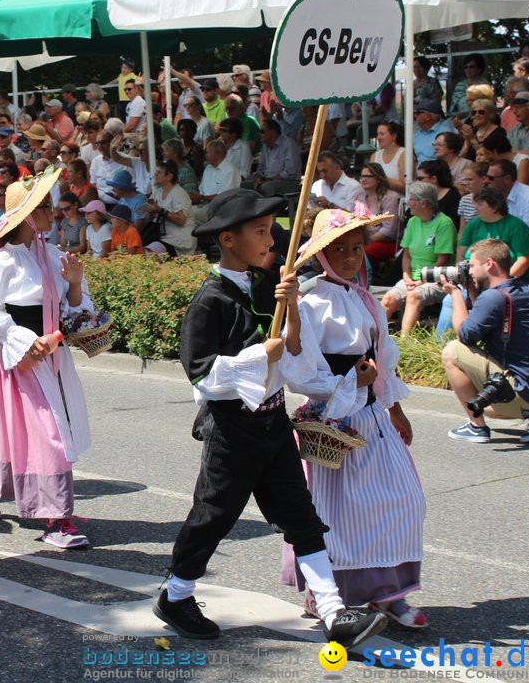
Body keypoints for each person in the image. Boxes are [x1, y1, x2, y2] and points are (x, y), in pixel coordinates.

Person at [155, 188, 387, 648]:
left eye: (270, 230)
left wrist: (294, 310)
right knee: (214, 514)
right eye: (259, 232)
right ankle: (176, 593)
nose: (270, 239)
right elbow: (202, 378)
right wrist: (259, 354)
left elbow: (295, 354)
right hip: (232, 429)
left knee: (300, 514)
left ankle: (333, 610)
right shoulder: (210, 301)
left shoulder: (267, 287)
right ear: (227, 239)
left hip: (274, 421)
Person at [282, 204, 427, 631]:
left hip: (373, 416)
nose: (350, 257)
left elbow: (382, 360)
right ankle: (334, 594)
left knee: (405, 500)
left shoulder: (365, 298)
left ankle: (390, 592)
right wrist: (353, 384)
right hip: (336, 421)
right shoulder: (309, 302)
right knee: (344, 513)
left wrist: (394, 406)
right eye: (340, 249)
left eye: (357, 248)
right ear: (323, 255)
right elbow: (302, 369)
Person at [0, 168, 94, 548]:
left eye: (50, 204)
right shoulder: (4, 261)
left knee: (18, 430)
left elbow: (78, 308)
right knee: (48, 432)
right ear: (24, 213)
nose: (51, 212)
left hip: (55, 356)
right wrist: (22, 340)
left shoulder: (56, 255)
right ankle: (55, 517)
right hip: (24, 360)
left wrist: (74, 281)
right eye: (43, 205)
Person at [441, 239, 529, 444]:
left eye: (472, 265)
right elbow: (483, 323)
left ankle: (476, 427)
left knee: (451, 351)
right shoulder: (522, 288)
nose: (469, 271)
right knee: (490, 409)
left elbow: (464, 335)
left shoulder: (493, 297)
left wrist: (456, 293)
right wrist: (472, 292)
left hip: (525, 388)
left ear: (489, 264)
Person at [381, 182, 457, 336]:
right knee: (388, 300)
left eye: (412, 199)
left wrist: (420, 282)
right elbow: (407, 254)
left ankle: (405, 345)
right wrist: (406, 276)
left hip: (437, 279)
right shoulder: (413, 221)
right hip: (413, 278)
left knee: (413, 296)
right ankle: (376, 341)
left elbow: (442, 260)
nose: (408, 203)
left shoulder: (444, 223)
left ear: (424, 203)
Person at [146, 159, 198, 256]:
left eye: (159, 172)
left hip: (178, 242)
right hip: (162, 238)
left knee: (151, 254)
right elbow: (148, 217)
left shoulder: (179, 193)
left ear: (169, 176)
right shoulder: (158, 192)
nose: (155, 175)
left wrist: (161, 210)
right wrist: (149, 211)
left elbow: (181, 220)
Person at [355, 163, 401, 266]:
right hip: (365, 240)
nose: (363, 179)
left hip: (387, 242)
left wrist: (365, 241)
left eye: (368, 176)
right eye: (362, 176)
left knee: (360, 252)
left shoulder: (390, 197)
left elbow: (388, 230)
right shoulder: (360, 196)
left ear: (378, 178)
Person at [255, 119, 301, 197]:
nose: (259, 134)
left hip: (289, 182)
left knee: (267, 187)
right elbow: (261, 168)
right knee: (245, 185)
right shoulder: (265, 147)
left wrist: (270, 180)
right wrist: (258, 177)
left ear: (272, 132)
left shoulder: (288, 144)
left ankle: (271, 209)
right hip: (268, 180)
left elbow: (290, 171)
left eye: (262, 131)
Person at [416, 158, 461, 228]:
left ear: (434, 179)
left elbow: (453, 224)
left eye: (420, 179)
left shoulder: (452, 196)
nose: (417, 182)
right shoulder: (420, 195)